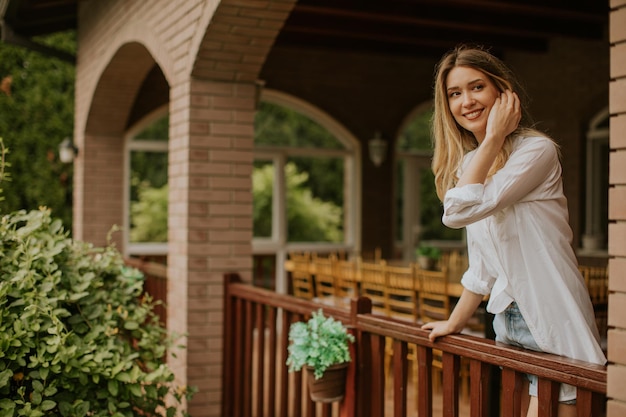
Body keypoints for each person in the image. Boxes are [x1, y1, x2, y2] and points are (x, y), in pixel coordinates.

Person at [421, 44, 607, 417]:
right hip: (506, 318)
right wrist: (455, 322)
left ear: (503, 94)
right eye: (455, 93)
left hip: (550, 312)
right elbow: (483, 266)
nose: (466, 101)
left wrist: (491, 139)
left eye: (477, 87)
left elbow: (456, 213)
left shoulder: (536, 151)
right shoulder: (472, 164)